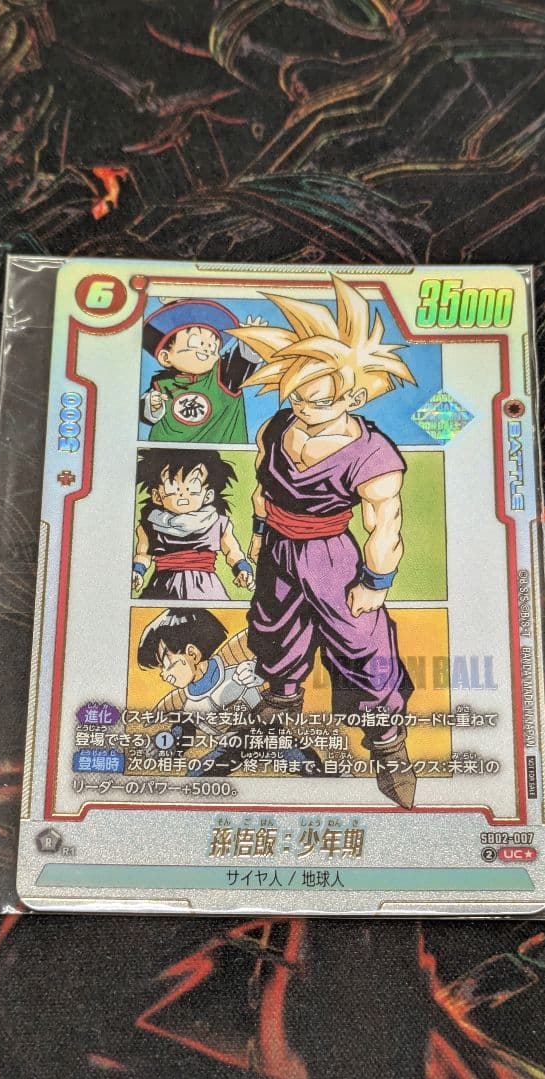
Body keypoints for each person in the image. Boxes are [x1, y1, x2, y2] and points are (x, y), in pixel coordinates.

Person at [231, 276, 417, 808]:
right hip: (278, 547)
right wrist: (260, 534)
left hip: (331, 555)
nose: (302, 406)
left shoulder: (373, 455)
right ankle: (281, 701)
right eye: (295, 395)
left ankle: (388, 745)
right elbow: (262, 490)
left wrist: (375, 582)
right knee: (272, 627)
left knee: (362, 643)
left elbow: (385, 524)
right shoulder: (276, 428)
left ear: (353, 396)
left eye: (315, 399)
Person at [137, 609, 321, 776]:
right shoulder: (185, 702)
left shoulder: (235, 666)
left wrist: (263, 671)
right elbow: (184, 730)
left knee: (310, 765)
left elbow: (280, 646)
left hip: (267, 735)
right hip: (231, 747)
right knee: (195, 776)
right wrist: (168, 744)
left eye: (166, 664)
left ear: (192, 654)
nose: (164, 674)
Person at [132, 449, 253, 601]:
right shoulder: (149, 526)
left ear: (208, 495)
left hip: (206, 588)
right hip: (162, 586)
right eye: (173, 487)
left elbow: (232, 551)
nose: (183, 494)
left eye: (193, 487)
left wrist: (242, 569)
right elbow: (143, 554)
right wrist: (137, 571)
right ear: (156, 496)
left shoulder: (218, 523)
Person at [140, 299, 266, 442]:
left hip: (219, 450)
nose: (206, 350)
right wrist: (153, 405)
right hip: (167, 450)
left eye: (213, 347)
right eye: (196, 343)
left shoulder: (222, 376)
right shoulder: (161, 385)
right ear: (165, 357)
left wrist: (252, 343)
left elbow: (241, 361)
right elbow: (144, 414)